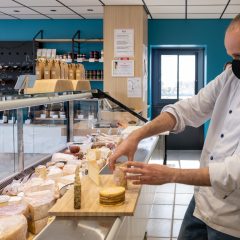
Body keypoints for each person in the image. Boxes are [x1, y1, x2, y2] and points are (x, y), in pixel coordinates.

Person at [109, 14, 240, 240]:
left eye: (239, 56)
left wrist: (171, 174)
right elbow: (186, 109)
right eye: (232, 57)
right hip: (202, 203)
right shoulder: (230, 77)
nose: (233, 64)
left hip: (233, 221)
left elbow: (233, 173)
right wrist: (137, 135)